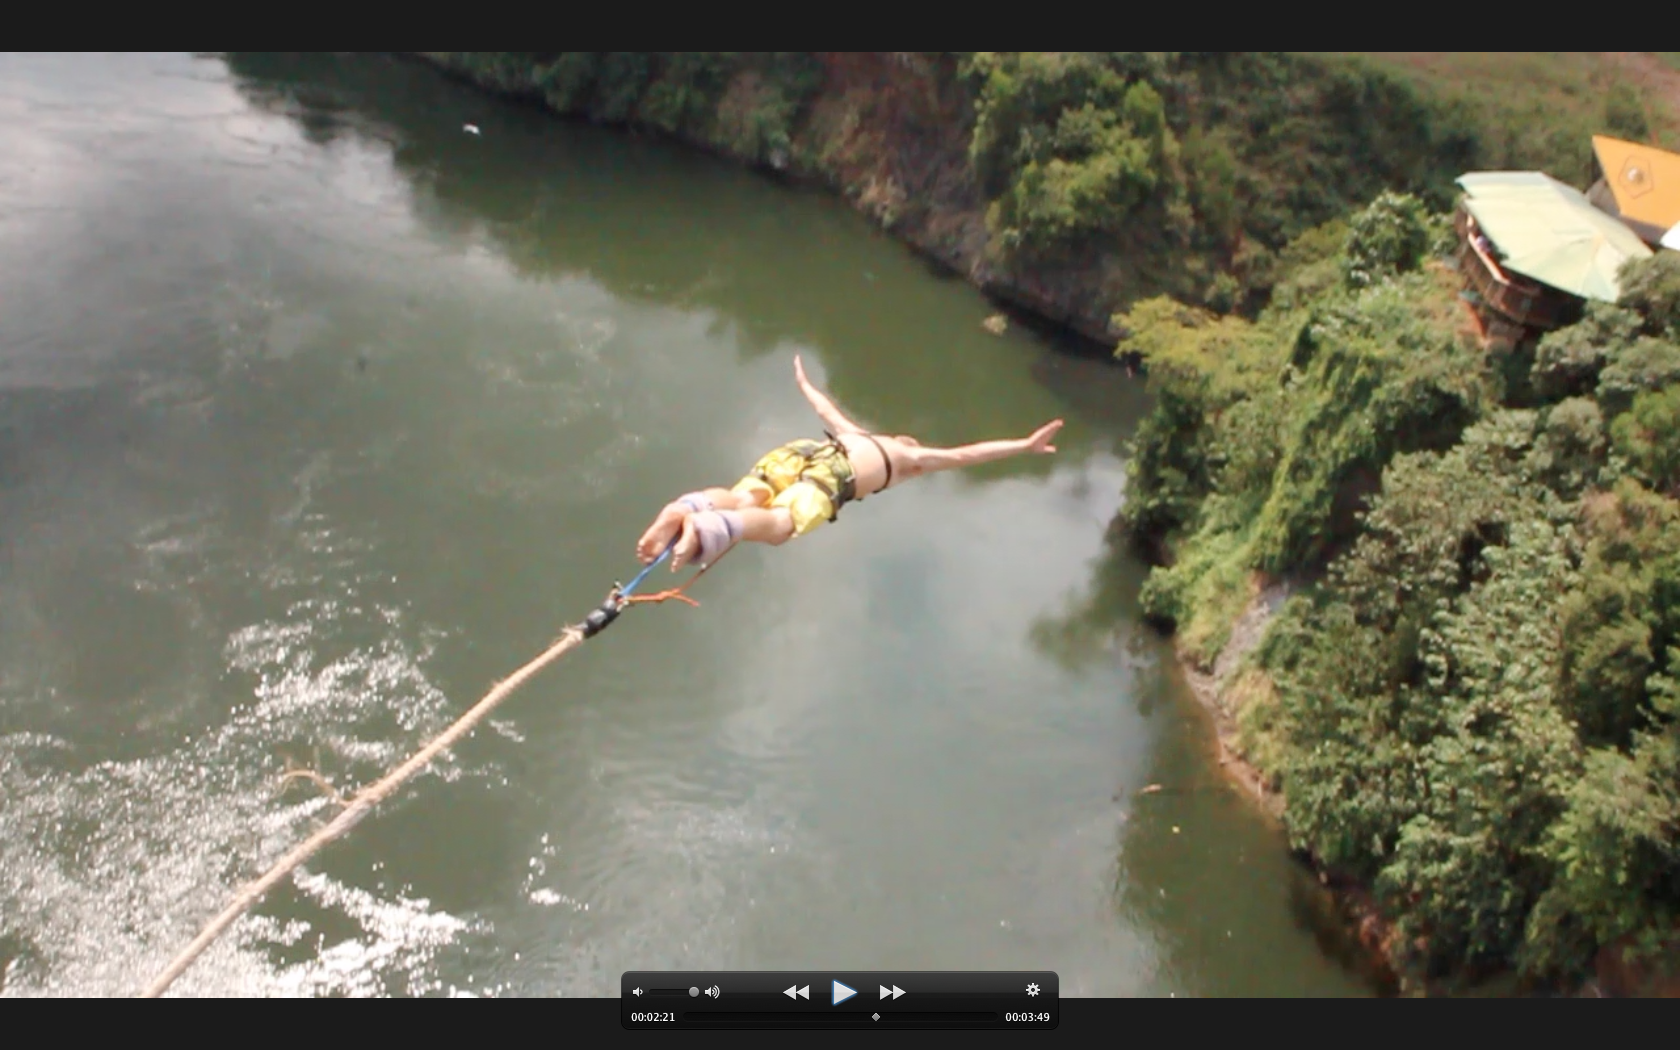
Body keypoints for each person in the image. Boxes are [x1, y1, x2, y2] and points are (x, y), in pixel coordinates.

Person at [636, 355, 1064, 572]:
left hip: (802, 452)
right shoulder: (908, 459)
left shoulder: (855, 433)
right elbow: (966, 454)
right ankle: (711, 528)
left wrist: (804, 382)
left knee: (745, 496)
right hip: (830, 478)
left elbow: (823, 407)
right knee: (782, 525)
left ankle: (691, 507)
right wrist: (1024, 445)